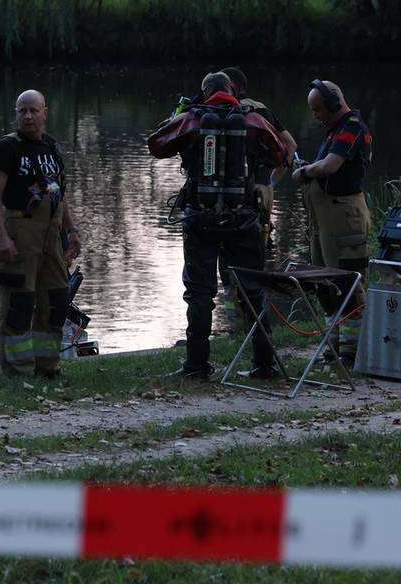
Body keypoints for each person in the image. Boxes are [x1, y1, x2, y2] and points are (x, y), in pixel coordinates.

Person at [148, 71, 288, 380]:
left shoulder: (192, 120)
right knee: (252, 290)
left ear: (204, 93)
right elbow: (282, 154)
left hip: (201, 219)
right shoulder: (252, 120)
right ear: (232, 92)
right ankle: (264, 365)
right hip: (244, 219)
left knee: (200, 293)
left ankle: (197, 366)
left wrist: (181, 113)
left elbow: (156, 145)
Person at [0, 89, 81, 377]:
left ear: (44, 113)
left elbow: (58, 193)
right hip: (20, 231)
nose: (27, 116)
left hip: (52, 235)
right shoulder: (7, 149)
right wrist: (2, 238)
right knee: (19, 306)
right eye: (21, 111)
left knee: (55, 302)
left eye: (33, 110)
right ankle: (17, 371)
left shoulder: (52, 148)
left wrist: (71, 231)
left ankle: (47, 367)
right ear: (16, 114)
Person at [290, 79, 372, 364]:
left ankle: (352, 350)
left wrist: (304, 172)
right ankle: (333, 344)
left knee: (346, 281)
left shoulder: (352, 127)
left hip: (343, 217)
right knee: (323, 282)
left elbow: (330, 166)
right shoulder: (334, 131)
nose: (316, 116)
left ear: (335, 104)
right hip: (323, 221)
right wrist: (309, 169)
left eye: (318, 110)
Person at [220, 67, 298, 248]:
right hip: (264, 190)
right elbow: (291, 146)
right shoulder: (261, 108)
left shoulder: (230, 110)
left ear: (230, 86)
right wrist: (271, 183)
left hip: (240, 194)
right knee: (258, 253)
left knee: (235, 254)